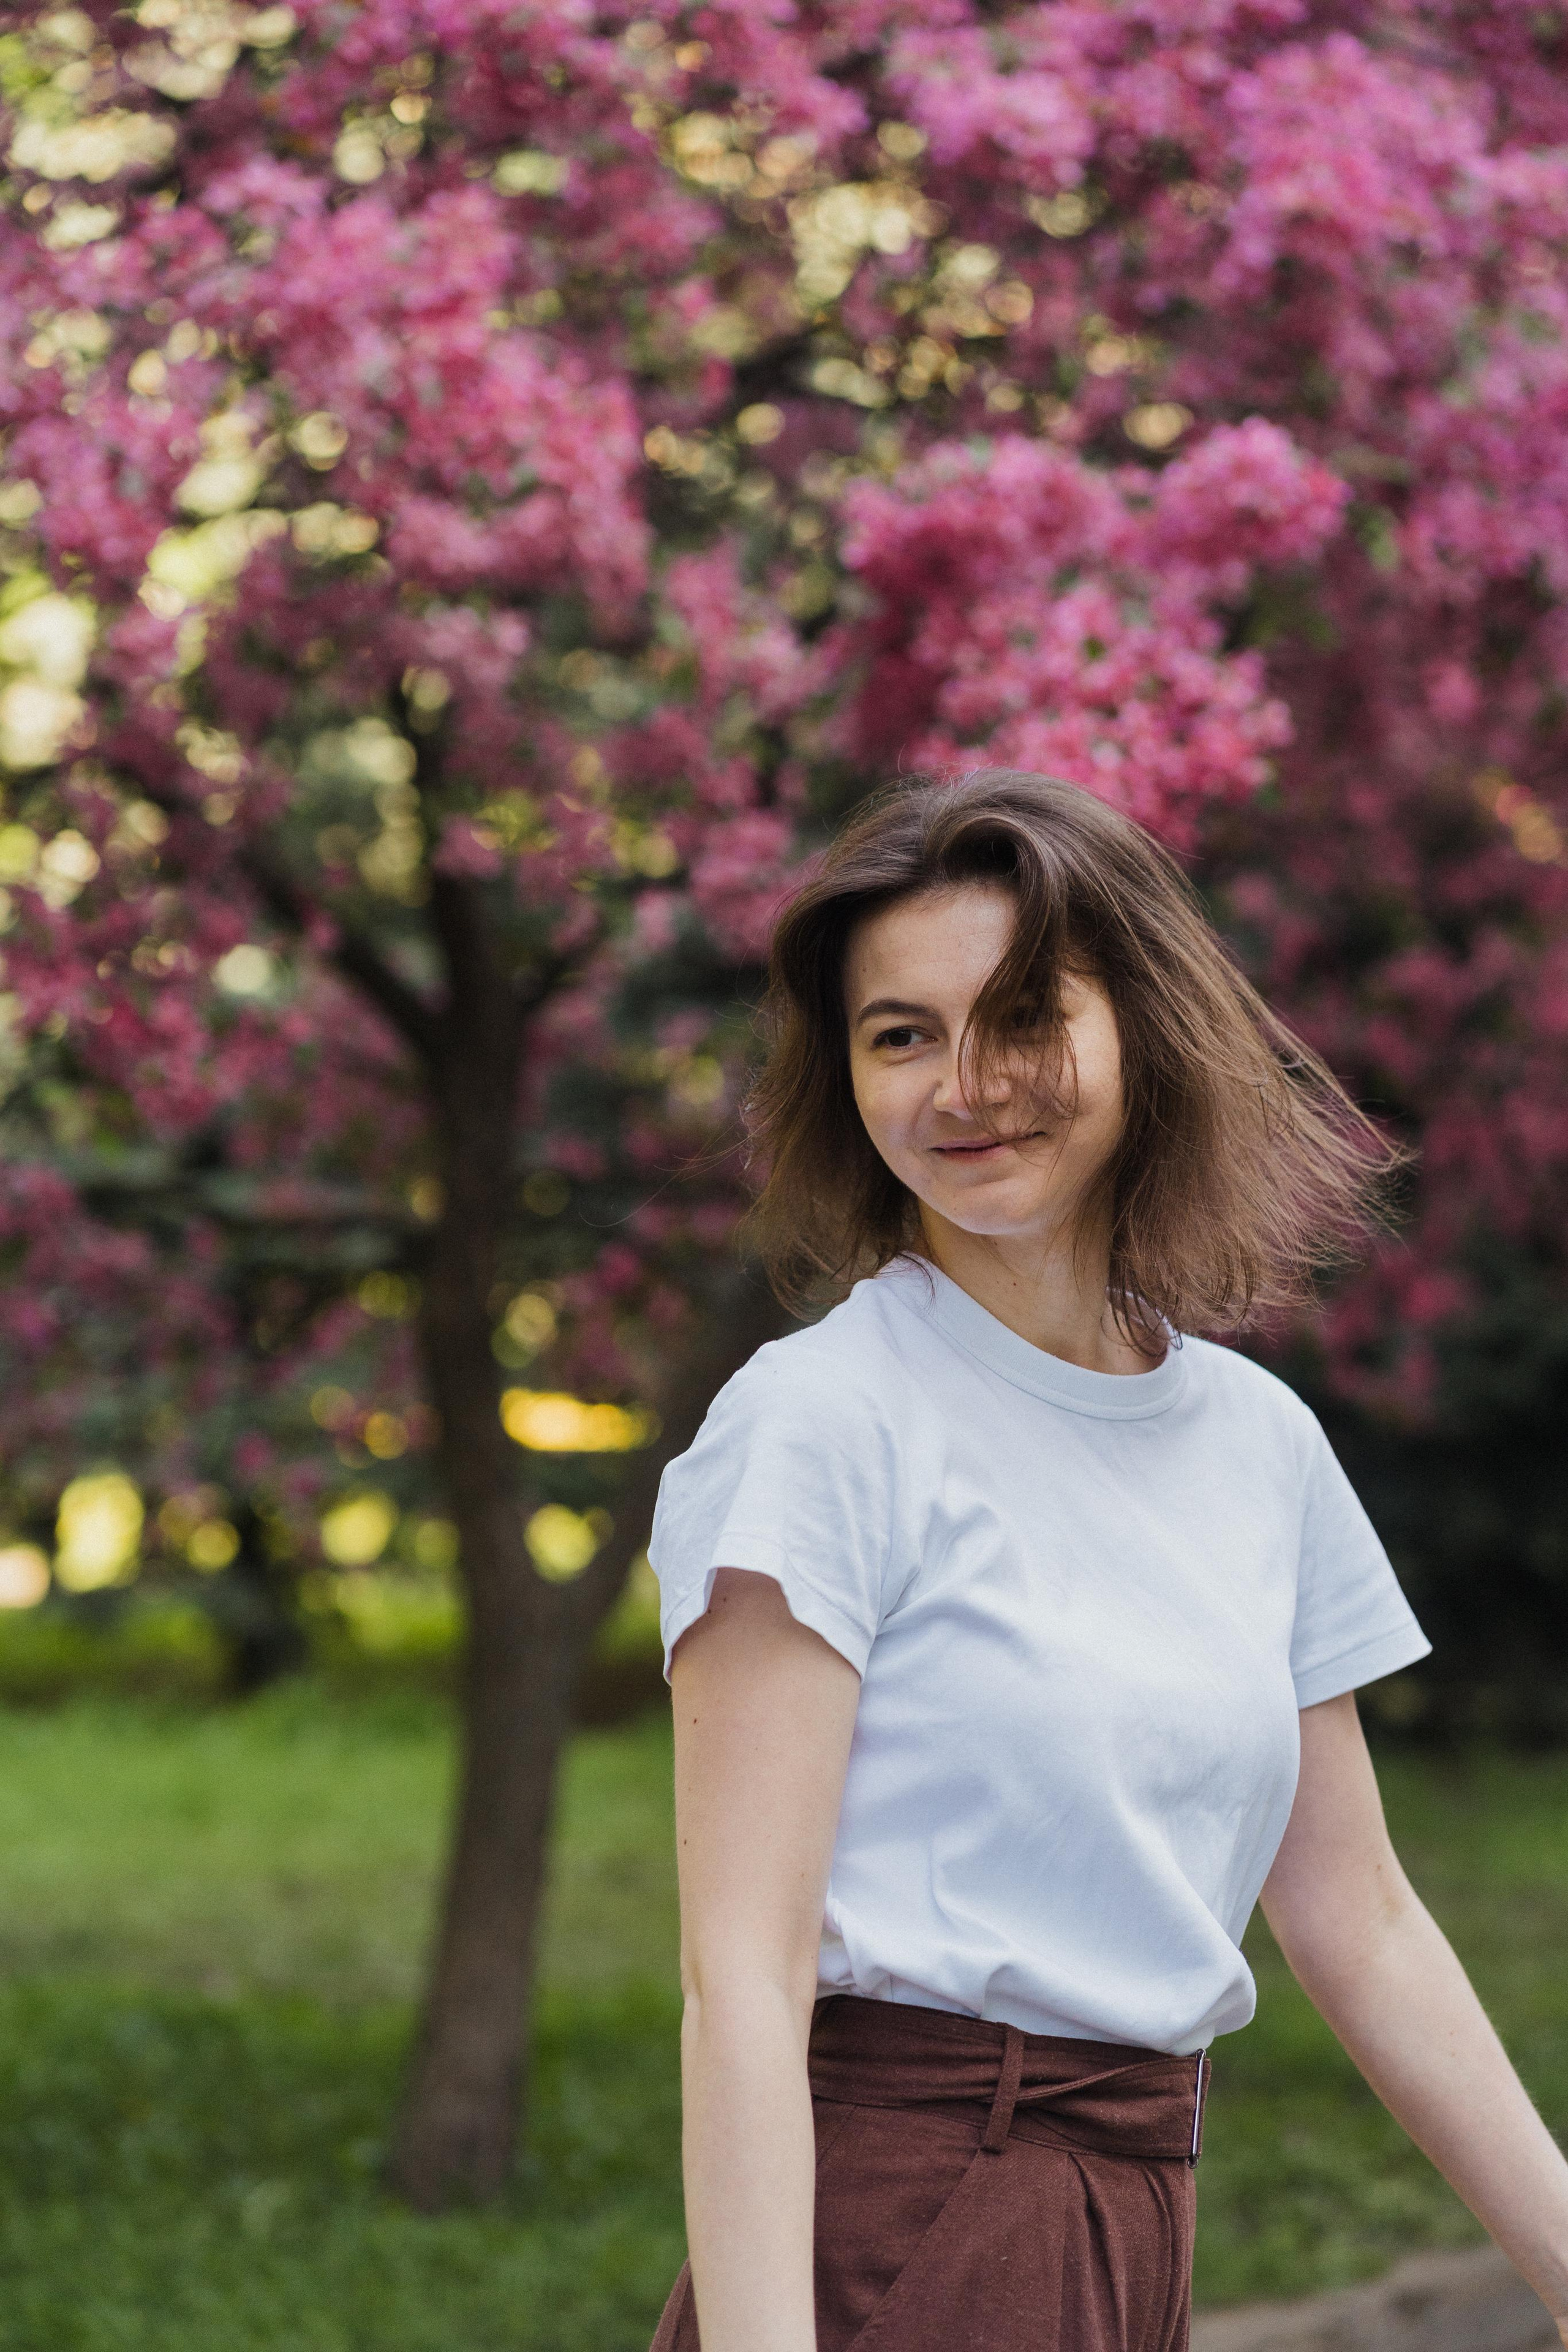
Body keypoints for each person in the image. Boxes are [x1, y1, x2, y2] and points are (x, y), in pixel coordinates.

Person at [644, 771, 1568, 2352]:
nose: (963, 1084)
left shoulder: (1253, 1444)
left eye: (1020, 1017)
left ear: (1139, 1024)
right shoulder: (821, 1423)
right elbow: (744, 1978)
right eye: (900, 1034)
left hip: (1134, 2209)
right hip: (915, 2211)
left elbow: (1363, 1919)